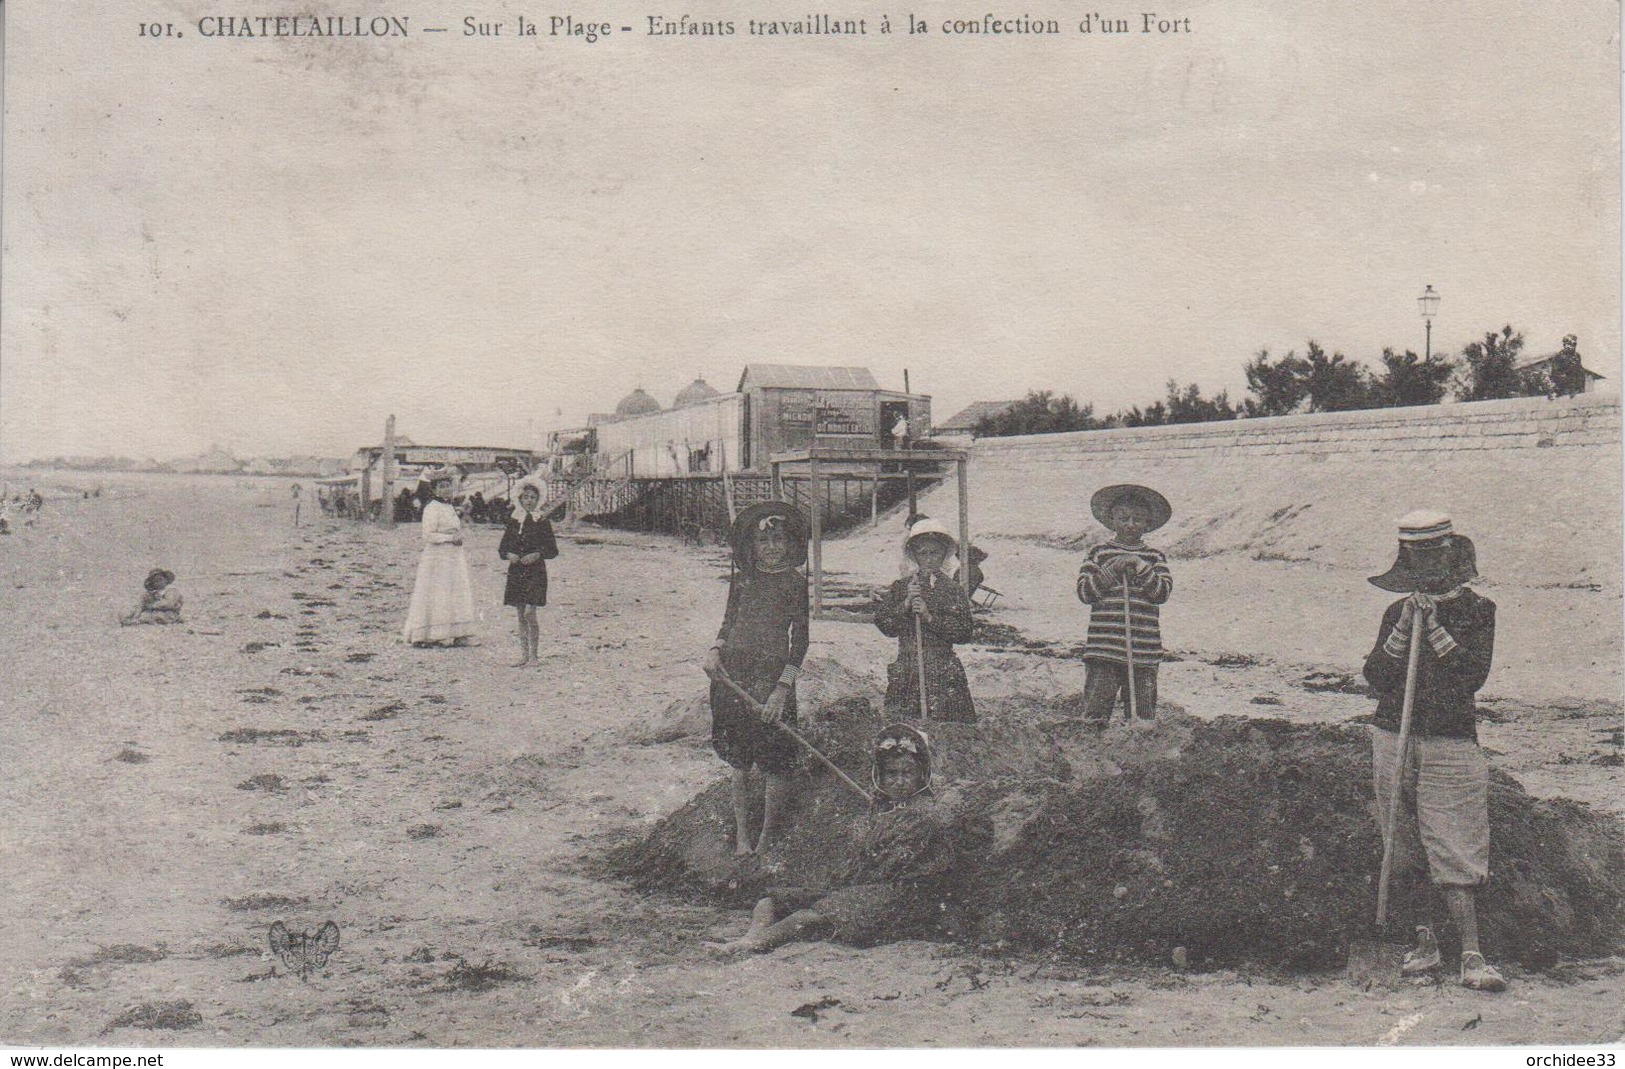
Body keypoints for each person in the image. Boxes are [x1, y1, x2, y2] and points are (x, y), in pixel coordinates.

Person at [1362, 510, 1506, 992]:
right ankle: (1423, 943)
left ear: (1454, 561)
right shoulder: (1394, 611)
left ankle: (1472, 953)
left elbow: (1471, 677)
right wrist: (1405, 626)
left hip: (1451, 739)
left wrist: (1437, 628)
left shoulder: (1478, 610)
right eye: (1416, 562)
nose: (1426, 571)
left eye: (1435, 560)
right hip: (1392, 733)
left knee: (1455, 841)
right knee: (1402, 840)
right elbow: (1377, 677)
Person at [710, 723, 960, 956]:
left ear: (921, 775)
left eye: (908, 773)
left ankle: (756, 944)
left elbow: (891, 864)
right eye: (891, 774)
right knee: (769, 901)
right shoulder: (884, 807)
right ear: (880, 776)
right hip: (864, 885)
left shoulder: (923, 815)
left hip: (900, 894)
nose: (900, 781)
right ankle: (751, 937)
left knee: (808, 917)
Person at [703, 501, 811, 856]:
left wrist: (783, 688)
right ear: (752, 547)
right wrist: (716, 650)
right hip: (734, 673)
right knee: (739, 758)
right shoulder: (744, 579)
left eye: (778, 539)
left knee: (776, 758)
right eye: (763, 542)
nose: (771, 547)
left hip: (770, 678)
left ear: (791, 543)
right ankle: (742, 838)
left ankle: (765, 839)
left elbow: (801, 642)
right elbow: (727, 620)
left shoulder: (795, 584)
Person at [1075, 484, 1174, 724]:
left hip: (1144, 650)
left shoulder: (1155, 558)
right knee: (1095, 713)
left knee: (1142, 717)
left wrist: (1141, 567)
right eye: (1124, 518)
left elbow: (1162, 592)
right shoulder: (1099, 553)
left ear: (1147, 524)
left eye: (1138, 519)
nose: (1130, 524)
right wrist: (1112, 569)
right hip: (1104, 647)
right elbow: (1085, 592)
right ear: (1112, 520)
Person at [873, 518, 976, 723]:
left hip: (943, 673)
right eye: (923, 553)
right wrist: (906, 604)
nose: (929, 559)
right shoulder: (902, 587)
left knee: (948, 730)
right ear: (914, 555)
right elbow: (885, 625)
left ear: (944, 554)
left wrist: (930, 617)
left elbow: (965, 632)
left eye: (934, 553)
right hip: (908, 670)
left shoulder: (952, 590)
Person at [401, 472, 478, 648]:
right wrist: (450, 538)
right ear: (435, 489)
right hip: (437, 557)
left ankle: (456, 632)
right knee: (438, 593)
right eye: (441, 486)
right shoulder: (432, 507)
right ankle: (431, 634)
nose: (446, 489)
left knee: (454, 591)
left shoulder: (449, 507)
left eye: (448, 485)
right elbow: (428, 535)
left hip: (453, 556)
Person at [499, 482, 559, 667]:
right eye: (526, 497)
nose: (529, 501)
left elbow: (552, 550)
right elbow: (502, 548)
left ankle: (534, 656)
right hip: (517, 571)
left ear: (538, 500)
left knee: (529, 612)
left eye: (533, 498)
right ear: (520, 498)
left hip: (535, 572)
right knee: (520, 614)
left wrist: (537, 554)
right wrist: (510, 554)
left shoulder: (542, 521)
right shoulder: (514, 520)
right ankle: (523, 655)